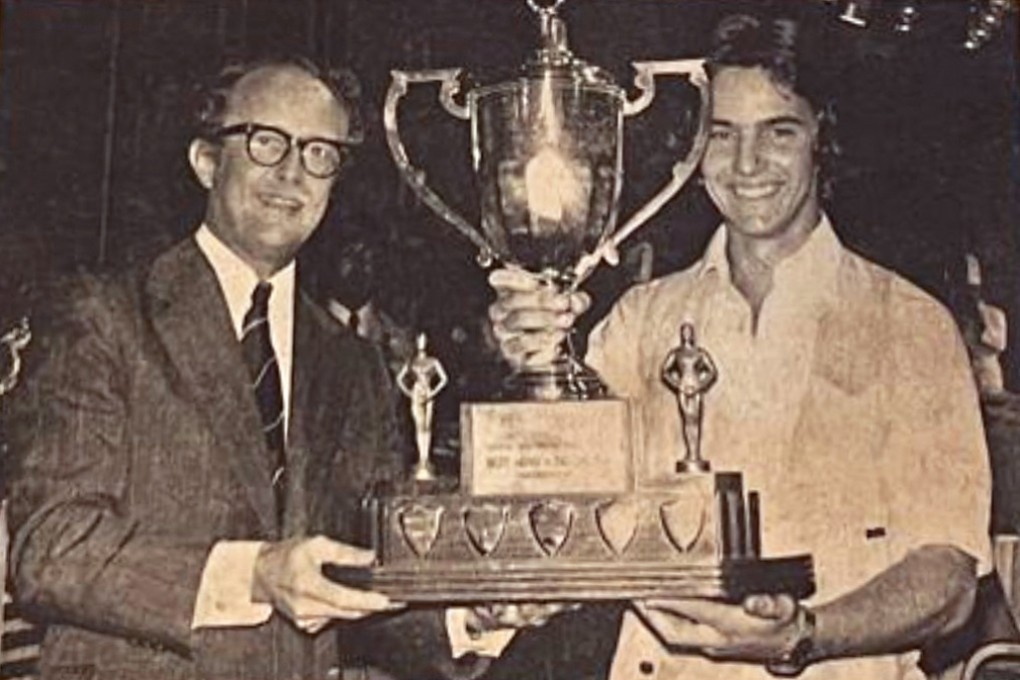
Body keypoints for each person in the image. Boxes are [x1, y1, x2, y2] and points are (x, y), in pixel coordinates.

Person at [488, 13, 992, 680]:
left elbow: (949, 580)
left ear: (822, 141)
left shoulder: (911, 326)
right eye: (721, 134)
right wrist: (533, 363)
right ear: (694, 152)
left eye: (779, 132)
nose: (747, 164)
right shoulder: (639, 319)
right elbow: (555, 504)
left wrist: (804, 635)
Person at [4, 56, 502, 680]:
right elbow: (52, 551)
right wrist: (253, 574)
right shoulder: (102, 316)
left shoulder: (353, 364)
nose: (293, 172)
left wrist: (470, 617)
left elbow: (351, 582)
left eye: (320, 152)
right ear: (206, 161)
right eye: (267, 141)